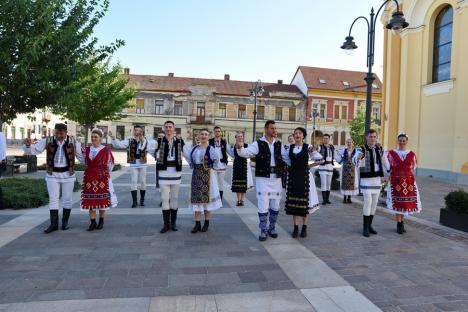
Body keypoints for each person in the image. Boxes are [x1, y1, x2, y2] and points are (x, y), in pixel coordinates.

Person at [23, 123, 82, 233]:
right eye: (57, 133)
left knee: (67, 199)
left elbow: (81, 157)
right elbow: (35, 150)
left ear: (66, 132)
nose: (59, 135)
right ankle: (53, 224)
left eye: (61, 133)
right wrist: (27, 146)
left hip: (68, 175)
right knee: (53, 199)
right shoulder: (48, 140)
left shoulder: (73, 142)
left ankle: (65, 223)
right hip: (52, 175)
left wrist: (93, 158)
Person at [236, 120, 286, 241]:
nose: (274, 130)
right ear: (266, 129)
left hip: (276, 178)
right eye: (272, 128)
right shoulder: (258, 143)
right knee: (263, 204)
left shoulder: (279, 144)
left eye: (275, 128)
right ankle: (263, 230)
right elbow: (245, 153)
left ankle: (272, 228)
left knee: (275, 205)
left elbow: (286, 158)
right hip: (263, 179)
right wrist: (239, 146)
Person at [282, 127, 322, 238]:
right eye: (295, 133)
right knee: (294, 203)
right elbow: (285, 160)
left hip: (304, 177)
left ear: (303, 136)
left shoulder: (308, 147)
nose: (297, 135)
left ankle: (304, 227)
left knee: (304, 203)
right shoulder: (289, 147)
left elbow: (320, 159)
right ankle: (295, 228)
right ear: (294, 136)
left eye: (299, 133)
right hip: (293, 177)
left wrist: (310, 165)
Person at [183, 129, 222, 233]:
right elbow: (190, 159)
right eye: (202, 134)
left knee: (207, 200)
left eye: (206, 134)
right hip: (196, 176)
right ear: (199, 136)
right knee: (196, 200)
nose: (204, 136)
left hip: (208, 176)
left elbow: (217, 160)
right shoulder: (194, 148)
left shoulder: (211, 149)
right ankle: (197, 224)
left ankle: (206, 223)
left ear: (208, 137)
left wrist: (212, 168)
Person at [78, 128, 117, 231]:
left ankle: (101, 221)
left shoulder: (106, 150)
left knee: (102, 201)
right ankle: (92, 222)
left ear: (100, 138)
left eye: (96, 137)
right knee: (90, 200)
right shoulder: (87, 150)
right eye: (92, 137)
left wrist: (105, 173)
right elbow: (83, 160)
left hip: (102, 178)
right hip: (89, 178)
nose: (93, 138)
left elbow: (110, 164)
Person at [149, 121, 185, 233]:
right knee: (164, 198)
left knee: (174, 198)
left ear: (174, 129)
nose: (168, 129)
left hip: (176, 174)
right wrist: (156, 155)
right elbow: (150, 150)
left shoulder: (179, 141)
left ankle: (173, 223)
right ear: (164, 129)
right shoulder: (159, 141)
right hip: (164, 173)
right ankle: (166, 224)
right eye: (166, 127)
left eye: (170, 127)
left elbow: (187, 153)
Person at [353, 129, 390, 237]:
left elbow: (385, 161)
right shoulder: (362, 149)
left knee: (374, 203)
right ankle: (365, 227)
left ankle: (369, 225)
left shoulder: (379, 148)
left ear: (376, 137)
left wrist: (389, 171)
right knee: (368, 202)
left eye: (374, 136)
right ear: (366, 137)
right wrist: (359, 157)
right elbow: (356, 160)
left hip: (376, 179)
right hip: (366, 179)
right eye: (370, 136)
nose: (372, 138)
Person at [386, 133, 422, 234]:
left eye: (403, 140)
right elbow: (388, 167)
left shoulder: (412, 154)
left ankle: (402, 223)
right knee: (398, 202)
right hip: (396, 181)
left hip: (408, 181)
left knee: (405, 203)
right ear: (397, 141)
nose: (402, 142)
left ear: (406, 141)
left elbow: (414, 167)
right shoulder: (391, 153)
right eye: (400, 140)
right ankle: (398, 224)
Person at [109, 125, 148, 208]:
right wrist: (113, 138)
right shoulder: (130, 139)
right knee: (134, 181)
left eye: (138, 130)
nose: (136, 131)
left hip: (142, 162)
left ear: (141, 131)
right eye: (135, 130)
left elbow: (147, 147)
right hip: (133, 162)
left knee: (143, 181)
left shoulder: (145, 140)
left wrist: (142, 138)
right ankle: (134, 201)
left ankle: (142, 200)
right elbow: (120, 145)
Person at [227, 131, 253, 206]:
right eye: (239, 136)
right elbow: (232, 154)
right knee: (237, 184)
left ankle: (242, 200)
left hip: (245, 166)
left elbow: (250, 154)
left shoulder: (247, 145)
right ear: (236, 137)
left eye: (241, 136)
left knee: (244, 184)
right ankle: (238, 200)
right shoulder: (233, 146)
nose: (240, 137)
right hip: (237, 166)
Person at [335, 138, 359, 204]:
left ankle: (349, 198)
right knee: (345, 183)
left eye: (350, 142)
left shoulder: (356, 151)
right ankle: (345, 198)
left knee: (351, 183)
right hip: (345, 169)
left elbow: (359, 158)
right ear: (346, 143)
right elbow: (336, 153)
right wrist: (340, 161)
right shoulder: (343, 150)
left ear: (352, 143)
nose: (349, 143)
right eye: (348, 142)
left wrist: (356, 163)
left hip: (352, 169)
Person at [209, 126, 228, 201]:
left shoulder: (224, 141)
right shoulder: (210, 141)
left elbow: (228, 150)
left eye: (219, 131)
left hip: (222, 164)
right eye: (216, 131)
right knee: (214, 183)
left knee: (221, 183)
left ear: (221, 132)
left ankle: (220, 199)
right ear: (214, 132)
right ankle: (214, 198)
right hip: (213, 165)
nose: (217, 132)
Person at [316, 134, 335, 205]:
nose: (325, 139)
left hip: (330, 166)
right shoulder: (320, 147)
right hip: (323, 166)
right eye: (324, 138)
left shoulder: (332, 147)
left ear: (329, 139)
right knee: (323, 183)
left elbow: (335, 155)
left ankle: (327, 199)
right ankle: (324, 200)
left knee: (328, 184)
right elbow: (315, 152)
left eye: (327, 138)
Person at [155, 130, 166, 208]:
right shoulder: (156, 146)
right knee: (161, 184)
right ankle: (163, 200)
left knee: (166, 184)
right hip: (158, 166)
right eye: (159, 136)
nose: (161, 138)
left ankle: (166, 200)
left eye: (162, 136)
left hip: (167, 167)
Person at [0, 129, 6, 209]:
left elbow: (1, 149)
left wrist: (0, 159)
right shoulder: (2, 135)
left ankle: (1, 204)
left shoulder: (0, 135)